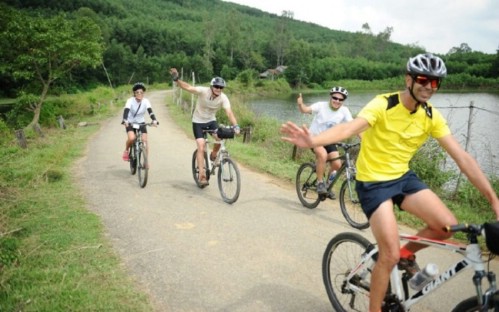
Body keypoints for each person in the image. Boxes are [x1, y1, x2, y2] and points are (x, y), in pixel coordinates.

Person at [280, 53, 499, 312]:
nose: (428, 87)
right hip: (373, 182)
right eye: (422, 79)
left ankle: (405, 255)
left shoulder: (430, 115)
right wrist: (314, 141)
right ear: (409, 79)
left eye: (435, 83)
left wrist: (493, 199)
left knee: (445, 228)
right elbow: (349, 129)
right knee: (389, 255)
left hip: (403, 177)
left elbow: (462, 158)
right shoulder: (383, 104)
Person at [169, 68, 240, 187]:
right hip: (198, 122)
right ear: (212, 86)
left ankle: (214, 154)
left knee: (220, 138)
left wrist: (236, 126)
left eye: (221, 87)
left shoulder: (223, 98)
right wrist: (177, 80)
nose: (218, 89)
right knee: (201, 146)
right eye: (216, 86)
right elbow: (188, 87)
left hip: (211, 121)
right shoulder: (203, 91)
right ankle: (202, 175)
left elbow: (229, 113)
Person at [297, 87, 353, 196]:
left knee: (337, 164)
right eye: (335, 98)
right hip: (315, 138)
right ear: (330, 97)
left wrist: (364, 139)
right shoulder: (321, 105)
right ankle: (320, 183)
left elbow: (353, 126)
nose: (337, 101)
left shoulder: (344, 111)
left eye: (340, 100)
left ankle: (328, 185)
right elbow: (304, 110)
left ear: (343, 101)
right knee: (322, 155)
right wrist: (300, 104)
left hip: (329, 140)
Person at [122, 82, 159, 163]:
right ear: (134, 93)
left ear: (143, 93)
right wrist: (125, 120)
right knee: (132, 138)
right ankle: (126, 150)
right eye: (137, 92)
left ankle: (146, 162)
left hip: (141, 122)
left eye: (141, 92)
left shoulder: (146, 101)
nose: (139, 94)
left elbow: (150, 112)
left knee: (144, 141)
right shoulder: (130, 101)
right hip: (130, 122)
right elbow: (126, 110)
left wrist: (154, 120)